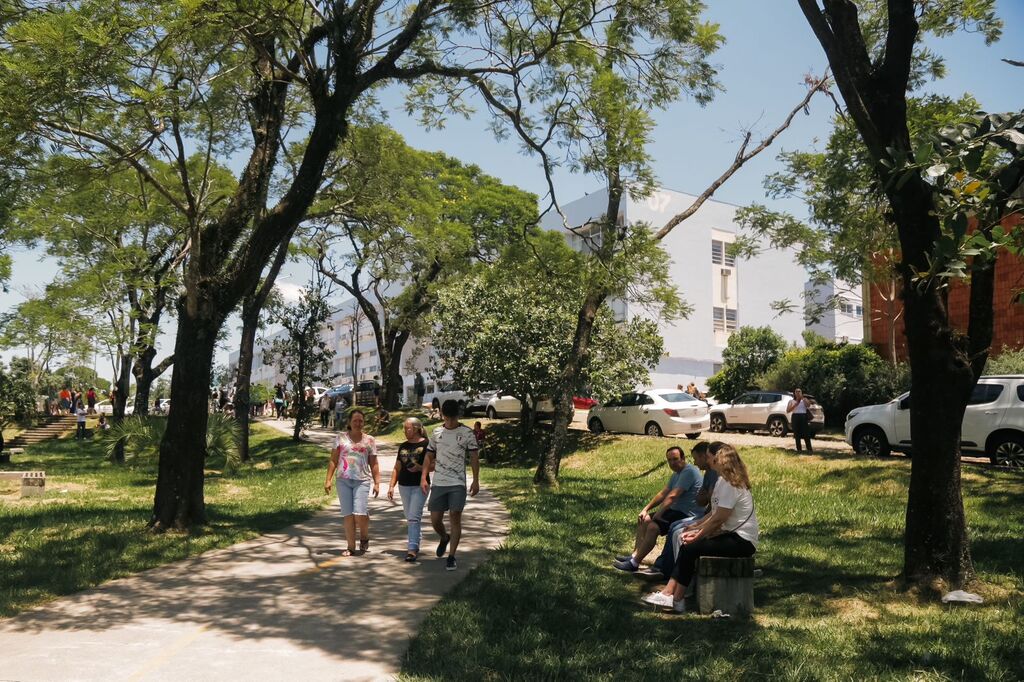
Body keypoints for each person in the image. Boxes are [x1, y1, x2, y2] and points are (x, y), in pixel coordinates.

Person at [641, 444, 759, 613]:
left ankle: (675, 597)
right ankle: (672, 596)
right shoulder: (721, 481)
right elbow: (713, 514)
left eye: (710, 457)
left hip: (742, 542)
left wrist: (698, 535)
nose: (708, 460)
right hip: (731, 535)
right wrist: (696, 527)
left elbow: (719, 519)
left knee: (690, 548)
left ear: (718, 459)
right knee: (688, 545)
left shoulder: (730, 484)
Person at [613, 446, 703, 572]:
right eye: (669, 460)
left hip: (688, 514)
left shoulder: (689, 472)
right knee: (644, 519)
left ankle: (634, 564)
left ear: (683, 458)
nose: (672, 463)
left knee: (653, 527)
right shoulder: (676, 474)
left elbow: (672, 496)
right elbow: (663, 493)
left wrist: (659, 514)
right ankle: (634, 556)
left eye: (675, 459)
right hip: (676, 511)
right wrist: (645, 509)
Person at [421, 399, 480, 571]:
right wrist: (423, 476)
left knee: (455, 515)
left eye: (453, 419)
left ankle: (452, 556)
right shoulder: (437, 432)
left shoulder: (468, 433)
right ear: (443, 416)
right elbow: (428, 456)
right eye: (448, 419)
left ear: (458, 416)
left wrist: (476, 480)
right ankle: (444, 537)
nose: (450, 422)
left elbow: (474, 458)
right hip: (439, 482)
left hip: (457, 483)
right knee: (435, 519)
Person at [651, 440, 721, 578]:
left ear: (704, 457)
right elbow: (701, 501)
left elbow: (712, 505)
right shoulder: (707, 474)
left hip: (708, 518)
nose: (695, 462)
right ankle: (664, 566)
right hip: (707, 515)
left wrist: (700, 522)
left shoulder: (713, 473)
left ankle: (666, 569)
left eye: (696, 458)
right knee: (674, 527)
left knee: (677, 529)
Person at [323, 409, 380, 556]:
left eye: (360, 420)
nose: (358, 423)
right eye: (355, 420)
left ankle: (364, 536)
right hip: (343, 480)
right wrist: (328, 479)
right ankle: (350, 546)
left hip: (362, 480)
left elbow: (374, 463)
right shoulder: (340, 438)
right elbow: (333, 460)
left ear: (363, 422)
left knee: (359, 513)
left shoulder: (370, 440)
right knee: (348, 514)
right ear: (349, 422)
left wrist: (377, 482)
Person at [388, 417, 431, 562]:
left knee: (413, 516)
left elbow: (435, 465)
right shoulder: (403, 446)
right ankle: (416, 538)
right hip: (404, 485)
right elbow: (397, 467)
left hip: (420, 485)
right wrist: (391, 486)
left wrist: (420, 468)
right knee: (409, 515)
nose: (405, 431)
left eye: (408, 428)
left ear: (417, 429)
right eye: (404, 428)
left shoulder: (427, 444)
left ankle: (412, 549)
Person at [787, 388, 814, 454]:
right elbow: (788, 410)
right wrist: (796, 404)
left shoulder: (804, 400)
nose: (798, 393)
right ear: (795, 393)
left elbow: (808, 405)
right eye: (797, 392)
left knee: (806, 433)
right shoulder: (791, 401)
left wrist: (803, 399)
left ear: (801, 393)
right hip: (795, 416)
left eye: (799, 392)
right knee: (796, 433)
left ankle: (809, 449)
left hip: (803, 416)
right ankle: (799, 449)